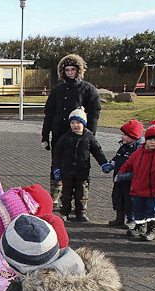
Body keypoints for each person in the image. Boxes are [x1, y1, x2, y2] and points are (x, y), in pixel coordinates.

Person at [41, 53, 101, 207]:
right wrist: (45, 135)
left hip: (80, 135)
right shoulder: (57, 90)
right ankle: (55, 196)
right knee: (57, 164)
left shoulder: (87, 89)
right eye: (66, 70)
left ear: (78, 70)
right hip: (60, 133)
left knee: (81, 166)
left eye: (72, 70)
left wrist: (90, 135)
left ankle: (81, 201)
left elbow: (94, 113)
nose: (69, 73)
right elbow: (49, 113)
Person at [51, 107, 109, 222]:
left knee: (82, 193)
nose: (75, 125)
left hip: (82, 171)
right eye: (72, 123)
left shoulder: (89, 137)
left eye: (78, 122)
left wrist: (104, 163)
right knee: (66, 193)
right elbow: (57, 153)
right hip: (66, 171)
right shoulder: (65, 137)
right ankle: (65, 212)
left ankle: (81, 212)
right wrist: (56, 168)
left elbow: (97, 151)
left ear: (84, 123)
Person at [116, 120, 155, 241]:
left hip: (154, 191)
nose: (152, 142)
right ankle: (139, 226)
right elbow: (128, 164)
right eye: (150, 139)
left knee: (152, 212)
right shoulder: (138, 152)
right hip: (138, 189)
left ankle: (152, 230)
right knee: (138, 210)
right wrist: (121, 174)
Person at [107, 120, 144, 228]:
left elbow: (138, 168)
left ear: (133, 136)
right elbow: (117, 157)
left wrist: (125, 176)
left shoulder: (138, 149)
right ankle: (119, 218)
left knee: (129, 201)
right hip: (118, 179)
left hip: (130, 182)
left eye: (124, 135)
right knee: (118, 198)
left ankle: (131, 220)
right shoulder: (123, 146)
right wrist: (111, 164)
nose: (122, 137)